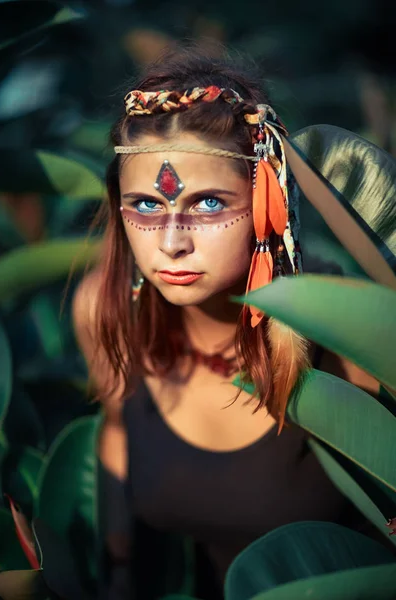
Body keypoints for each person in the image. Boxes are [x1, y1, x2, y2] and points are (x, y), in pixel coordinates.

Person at [72, 47, 395, 599]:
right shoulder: (108, 315)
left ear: (267, 198)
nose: (172, 243)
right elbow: (119, 463)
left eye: (208, 204)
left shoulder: (344, 330)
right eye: (146, 206)